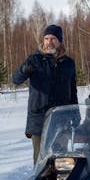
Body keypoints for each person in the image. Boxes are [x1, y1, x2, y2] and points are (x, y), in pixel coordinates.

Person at [12, 24, 78, 166]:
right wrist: (23, 70)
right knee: (41, 162)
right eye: (46, 38)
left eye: (53, 38)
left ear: (60, 41)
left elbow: (73, 91)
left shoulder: (68, 63)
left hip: (62, 119)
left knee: (61, 160)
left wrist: (75, 116)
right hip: (39, 120)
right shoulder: (34, 60)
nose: (49, 42)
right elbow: (15, 79)